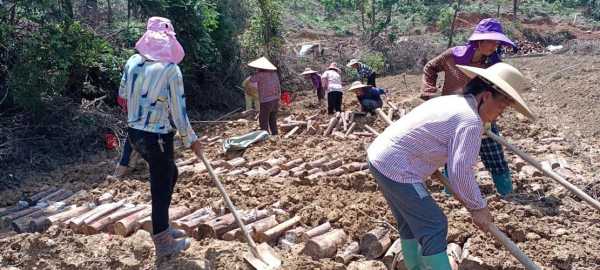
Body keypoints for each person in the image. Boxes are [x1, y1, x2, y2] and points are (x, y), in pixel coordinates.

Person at [368, 62, 534, 269]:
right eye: (502, 106)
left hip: (380, 157)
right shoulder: (470, 121)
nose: (500, 114)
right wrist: (478, 207)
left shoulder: (452, 102)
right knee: (434, 225)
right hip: (397, 168)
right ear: (486, 96)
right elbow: (460, 171)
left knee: (410, 224)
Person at [118, 16, 203, 257]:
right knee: (161, 184)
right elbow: (179, 111)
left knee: (170, 173)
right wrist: (191, 139)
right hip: (156, 137)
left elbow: (122, 94)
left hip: (135, 134)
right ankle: (163, 243)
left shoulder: (132, 62)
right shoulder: (170, 71)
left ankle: (162, 227)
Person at [420, 18, 517, 196]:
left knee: (493, 153)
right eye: (491, 41)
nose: (494, 46)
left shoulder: (494, 63)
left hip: (482, 114)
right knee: (453, 155)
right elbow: (430, 68)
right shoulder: (452, 56)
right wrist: (429, 91)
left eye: (497, 42)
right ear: (479, 40)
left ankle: (506, 193)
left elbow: (499, 91)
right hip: (453, 115)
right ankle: (451, 194)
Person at [249, 57, 281, 135]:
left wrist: (256, 73)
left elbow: (251, 80)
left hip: (266, 100)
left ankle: (264, 135)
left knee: (263, 119)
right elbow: (278, 86)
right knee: (272, 118)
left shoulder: (260, 75)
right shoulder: (274, 74)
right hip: (275, 99)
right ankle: (275, 133)